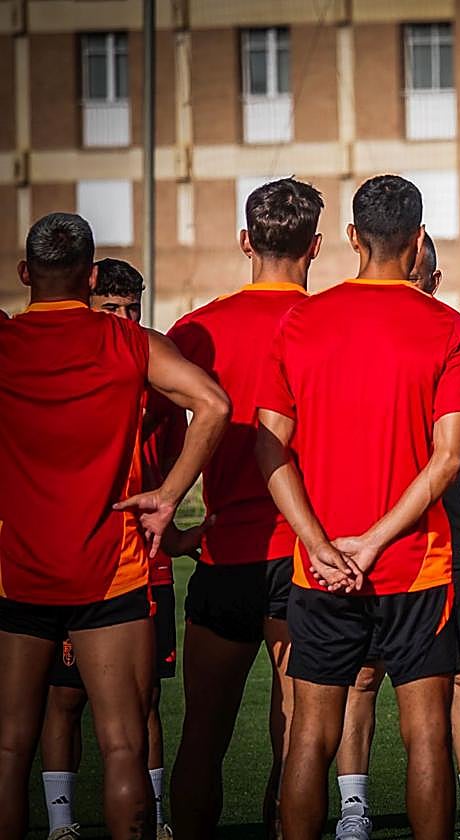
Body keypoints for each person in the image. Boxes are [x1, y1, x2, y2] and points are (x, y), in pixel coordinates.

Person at [257, 174, 460, 840]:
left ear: (351, 237)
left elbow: (269, 448)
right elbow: (449, 459)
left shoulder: (300, 320)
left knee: (310, 736)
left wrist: (320, 545)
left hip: (321, 572)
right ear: (418, 240)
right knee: (427, 736)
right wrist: (374, 542)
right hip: (415, 568)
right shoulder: (448, 327)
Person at [0, 212, 229, 839]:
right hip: (110, 569)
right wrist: (168, 495)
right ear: (93, 277)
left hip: (19, 570)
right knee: (125, 742)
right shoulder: (129, 342)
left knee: (11, 749)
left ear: (25, 273)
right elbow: (214, 404)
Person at [332, 236, 460, 840]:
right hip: (369, 531)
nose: (408, 286)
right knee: (363, 674)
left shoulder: (455, 338)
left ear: (433, 281)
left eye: (419, 278)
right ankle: (354, 808)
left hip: (451, 531)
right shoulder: (358, 338)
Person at [160, 177, 321, 840]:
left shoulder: (195, 330)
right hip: (304, 554)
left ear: (245, 242)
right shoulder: (328, 322)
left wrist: (172, 528)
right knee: (300, 735)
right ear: (316, 246)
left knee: (202, 731)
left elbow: (155, 439)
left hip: (225, 551)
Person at [38, 258, 205, 840]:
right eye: (111, 308)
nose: (125, 319)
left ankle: (152, 819)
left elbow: (174, 459)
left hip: (144, 560)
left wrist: (173, 530)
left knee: (145, 697)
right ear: (88, 305)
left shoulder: (156, 371)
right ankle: (62, 822)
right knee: (64, 696)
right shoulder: (65, 369)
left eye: (133, 309)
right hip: (72, 556)